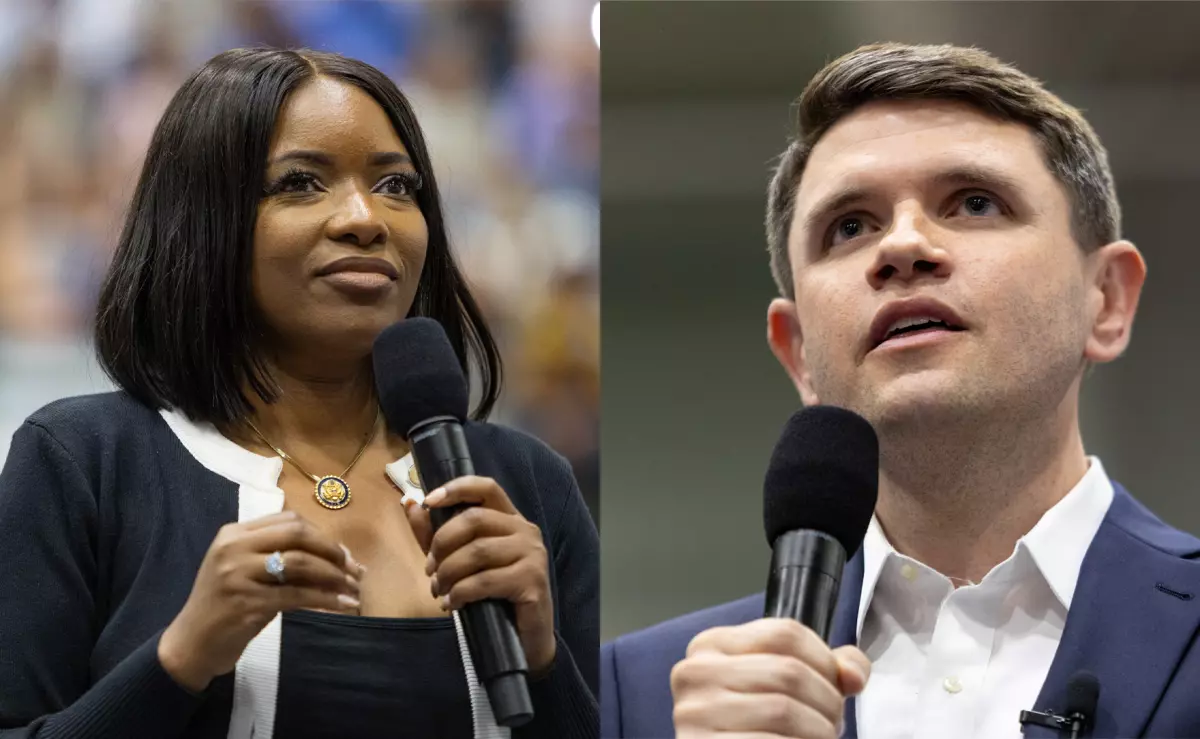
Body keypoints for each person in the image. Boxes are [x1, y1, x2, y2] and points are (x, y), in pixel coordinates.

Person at [601, 42, 1200, 738]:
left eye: (975, 202)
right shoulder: (636, 701)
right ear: (799, 354)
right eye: (850, 226)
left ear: (1106, 301)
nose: (903, 245)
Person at [0, 47, 598, 739]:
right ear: (203, 218)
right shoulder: (85, 463)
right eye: (301, 183)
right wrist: (181, 657)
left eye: (397, 186)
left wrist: (546, 661)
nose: (364, 218)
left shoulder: (527, 482)